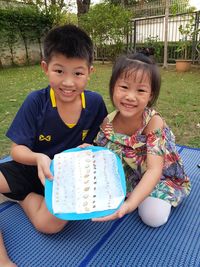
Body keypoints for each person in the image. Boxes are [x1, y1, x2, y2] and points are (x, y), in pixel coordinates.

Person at [0, 24, 107, 264]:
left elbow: (103, 143)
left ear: (90, 72)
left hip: (66, 180)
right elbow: (17, 150)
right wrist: (38, 158)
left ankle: (22, 197)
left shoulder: (95, 103)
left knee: (49, 225)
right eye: (59, 71)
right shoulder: (36, 102)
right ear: (45, 68)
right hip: (31, 167)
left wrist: (91, 151)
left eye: (78, 73)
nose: (68, 82)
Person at [92, 52, 191, 227]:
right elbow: (104, 155)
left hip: (158, 176)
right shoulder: (108, 122)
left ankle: (144, 196)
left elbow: (154, 170)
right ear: (113, 87)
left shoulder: (153, 122)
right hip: (128, 176)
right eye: (124, 87)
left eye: (141, 90)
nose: (131, 96)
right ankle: (133, 192)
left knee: (153, 217)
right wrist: (90, 151)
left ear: (150, 95)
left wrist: (130, 204)